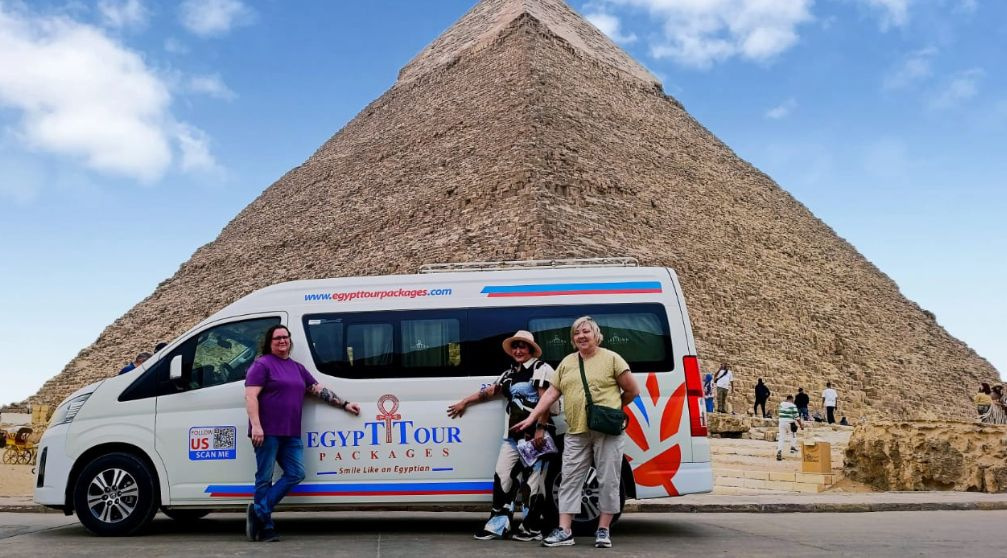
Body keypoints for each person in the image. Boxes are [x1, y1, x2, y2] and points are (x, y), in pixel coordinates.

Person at [513, 316, 640, 549]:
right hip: (576, 431)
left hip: (606, 432)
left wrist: (612, 411)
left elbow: (632, 390)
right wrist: (532, 416)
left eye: (585, 331)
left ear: (596, 335)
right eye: (576, 333)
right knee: (569, 479)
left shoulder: (612, 359)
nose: (581, 336)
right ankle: (564, 530)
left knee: (608, 479)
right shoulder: (567, 363)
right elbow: (551, 394)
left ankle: (603, 530)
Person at [244, 325, 361, 542]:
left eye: (285, 337)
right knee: (264, 478)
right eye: (277, 338)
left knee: (296, 473)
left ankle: (259, 510)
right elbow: (251, 397)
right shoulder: (261, 365)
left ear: (290, 340)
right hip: (267, 432)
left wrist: (345, 404)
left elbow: (318, 390)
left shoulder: (297, 368)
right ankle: (266, 526)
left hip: (290, 433)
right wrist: (256, 426)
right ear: (270, 342)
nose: (282, 341)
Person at [447, 330, 557, 542]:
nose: (518, 350)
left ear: (531, 349)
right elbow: (490, 391)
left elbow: (547, 401)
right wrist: (465, 402)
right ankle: (498, 526)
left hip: (534, 436)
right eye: (515, 346)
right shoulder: (510, 373)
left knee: (532, 483)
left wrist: (541, 428)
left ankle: (531, 528)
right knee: (502, 477)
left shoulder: (540, 369)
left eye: (522, 346)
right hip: (512, 437)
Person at [776, 395, 803, 460]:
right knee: (793, 435)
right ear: (791, 399)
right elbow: (797, 417)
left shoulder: (781, 404)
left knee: (781, 437)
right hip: (790, 423)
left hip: (781, 422)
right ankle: (792, 447)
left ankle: (779, 451)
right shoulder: (793, 406)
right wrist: (801, 425)